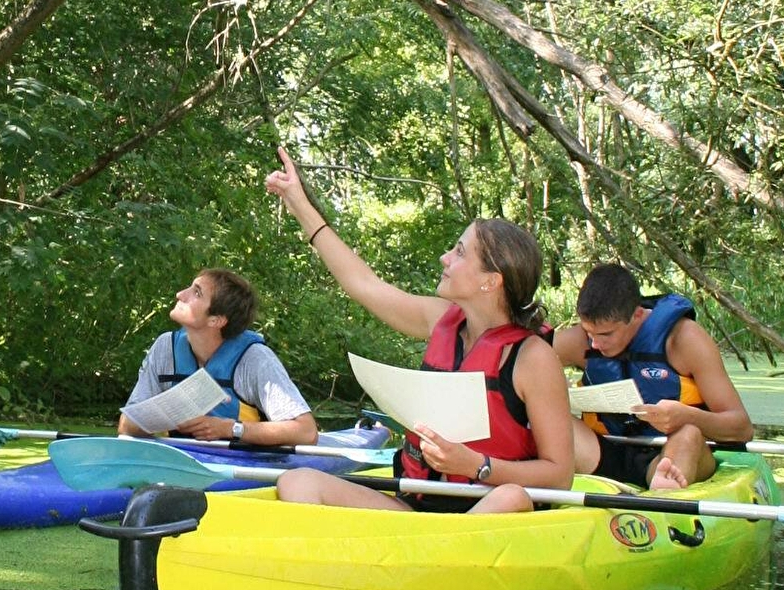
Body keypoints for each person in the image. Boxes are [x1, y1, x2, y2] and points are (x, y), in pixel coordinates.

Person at [264, 147, 574, 514]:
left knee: (511, 497)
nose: (445, 258)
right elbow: (363, 284)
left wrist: (476, 466)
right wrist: (297, 200)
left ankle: (438, 558)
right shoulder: (439, 318)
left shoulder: (532, 358)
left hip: (492, 514)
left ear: (490, 282)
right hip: (419, 506)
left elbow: (560, 475)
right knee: (298, 481)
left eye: (459, 253)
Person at [552, 263, 754, 490]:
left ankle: (664, 489)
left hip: (670, 452)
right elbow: (517, 359)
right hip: (605, 451)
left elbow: (742, 428)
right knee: (545, 417)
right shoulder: (580, 340)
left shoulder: (684, 339)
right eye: (589, 332)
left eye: (606, 334)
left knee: (688, 433)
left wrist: (688, 417)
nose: (595, 344)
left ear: (637, 315)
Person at [116, 268, 320, 446]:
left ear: (216, 320)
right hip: (184, 461)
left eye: (196, 292)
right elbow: (126, 426)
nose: (180, 294)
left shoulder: (255, 359)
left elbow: (307, 432)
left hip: (244, 464)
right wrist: (167, 417)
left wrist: (231, 429)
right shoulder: (164, 348)